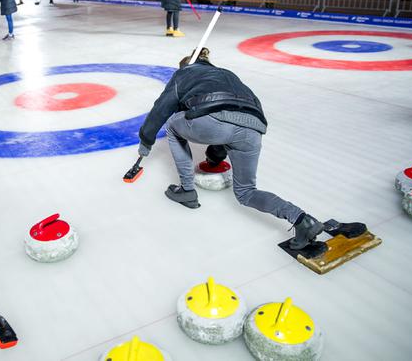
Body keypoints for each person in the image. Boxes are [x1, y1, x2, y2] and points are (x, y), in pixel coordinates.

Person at [137, 48, 325, 250]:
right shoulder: (227, 73)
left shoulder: (183, 73)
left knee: (173, 126)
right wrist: (215, 156)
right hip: (254, 126)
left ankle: (187, 190)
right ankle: (302, 220)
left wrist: (146, 142)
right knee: (246, 192)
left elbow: (161, 109)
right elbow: (235, 111)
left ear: (185, 65)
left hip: (214, 120)